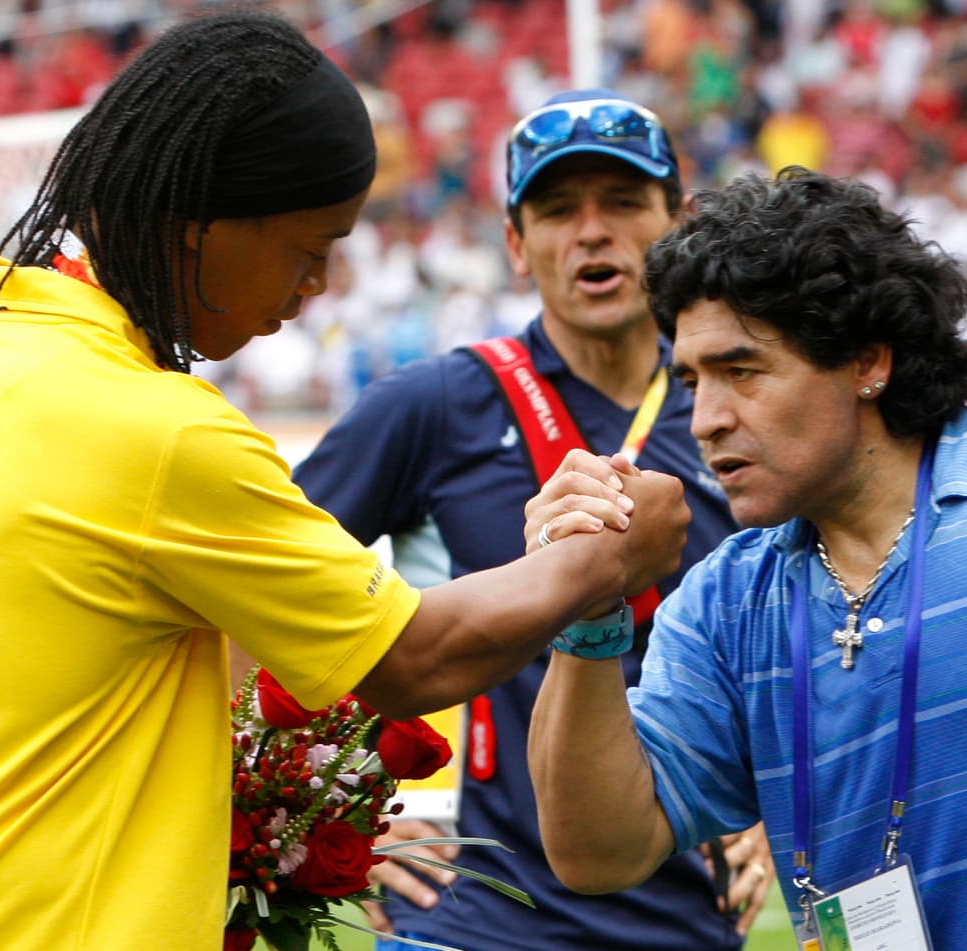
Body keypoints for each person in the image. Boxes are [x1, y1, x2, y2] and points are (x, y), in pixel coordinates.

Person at [0, 16, 689, 950]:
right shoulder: (161, 433)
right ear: (201, 218)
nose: (319, 284)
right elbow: (414, 657)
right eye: (312, 245)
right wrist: (608, 555)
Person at [525, 167, 967, 949]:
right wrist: (588, 606)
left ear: (868, 360)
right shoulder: (726, 602)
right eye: (691, 380)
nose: (705, 420)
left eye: (742, 371)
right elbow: (598, 850)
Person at [292, 88, 773, 951]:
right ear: (517, 244)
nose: (592, 230)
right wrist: (333, 799)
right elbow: (263, 598)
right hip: (472, 921)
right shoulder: (436, 404)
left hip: (689, 921)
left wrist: (769, 803)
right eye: (557, 209)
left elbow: (793, 644)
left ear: (675, 224)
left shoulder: (734, 410)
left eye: (624, 203)